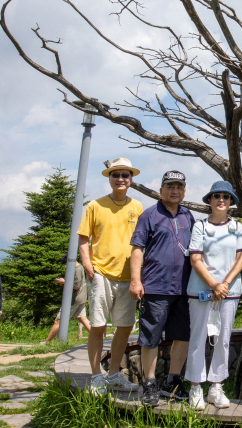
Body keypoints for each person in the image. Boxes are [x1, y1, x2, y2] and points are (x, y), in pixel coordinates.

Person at [78, 157, 145, 394]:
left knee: (125, 327)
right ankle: (96, 376)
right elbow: (83, 239)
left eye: (125, 175)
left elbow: (142, 240)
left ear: (131, 179)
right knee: (97, 326)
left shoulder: (136, 207)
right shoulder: (94, 206)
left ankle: (114, 374)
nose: (120, 179)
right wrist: (88, 266)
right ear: (109, 178)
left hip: (129, 276)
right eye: (115, 175)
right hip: (102, 273)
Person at [130, 170, 195, 405]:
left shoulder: (189, 216)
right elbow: (137, 248)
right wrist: (136, 280)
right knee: (151, 337)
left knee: (183, 336)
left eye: (179, 186)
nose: (175, 190)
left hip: (185, 287)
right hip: (155, 287)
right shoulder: (149, 215)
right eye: (170, 186)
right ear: (161, 190)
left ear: (184, 191)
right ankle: (149, 383)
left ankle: (173, 383)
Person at [184, 181, 242, 410]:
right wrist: (213, 285)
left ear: (231, 202)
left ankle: (216, 387)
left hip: (229, 292)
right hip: (201, 291)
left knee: (223, 340)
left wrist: (225, 284)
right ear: (209, 200)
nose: (221, 200)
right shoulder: (200, 226)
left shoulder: (237, 227)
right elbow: (195, 259)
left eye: (226, 197)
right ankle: (196, 388)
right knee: (198, 339)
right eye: (217, 196)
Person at [41, 255, 92, 345]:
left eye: (66, 264)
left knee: (58, 320)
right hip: (82, 298)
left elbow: (76, 286)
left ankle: (47, 342)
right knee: (82, 319)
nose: (66, 266)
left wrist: (64, 281)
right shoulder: (80, 267)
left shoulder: (77, 270)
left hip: (75, 299)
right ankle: (96, 338)